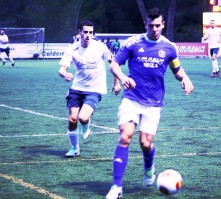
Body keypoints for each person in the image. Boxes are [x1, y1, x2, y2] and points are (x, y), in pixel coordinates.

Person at [105, 8, 194, 199]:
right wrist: (122, 78)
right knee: (125, 136)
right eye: (150, 25)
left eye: (157, 25)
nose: (154, 29)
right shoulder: (133, 42)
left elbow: (177, 70)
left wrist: (185, 79)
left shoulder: (169, 47)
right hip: (132, 98)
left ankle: (148, 166)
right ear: (146, 24)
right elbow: (114, 64)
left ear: (162, 25)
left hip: (154, 102)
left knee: (145, 143)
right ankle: (116, 187)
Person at [58, 20, 120, 157]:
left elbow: (114, 64)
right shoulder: (72, 48)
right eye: (85, 32)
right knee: (72, 119)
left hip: (94, 89)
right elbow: (62, 69)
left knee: (83, 117)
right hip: (77, 88)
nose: (87, 35)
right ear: (80, 32)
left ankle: (86, 122)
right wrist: (64, 74)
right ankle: (74, 148)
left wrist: (116, 83)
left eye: (90, 32)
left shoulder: (100, 47)